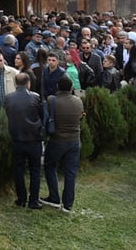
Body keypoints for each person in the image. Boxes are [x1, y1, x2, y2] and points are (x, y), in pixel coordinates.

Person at [41, 75, 84, 212]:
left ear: (57, 87)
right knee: (70, 173)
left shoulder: (52, 100)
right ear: (71, 88)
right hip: (74, 141)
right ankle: (68, 204)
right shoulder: (78, 101)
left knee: (50, 166)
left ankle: (54, 197)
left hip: (57, 140)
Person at [3, 72, 44, 209]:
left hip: (17, 138)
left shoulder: (8, 98)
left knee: (19, 170)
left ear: (16, 84)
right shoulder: (35, 97)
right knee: (35, 170)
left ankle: (21, 199)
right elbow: (41, 115)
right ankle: (33, 200)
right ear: (28, 83)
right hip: (33, 139)